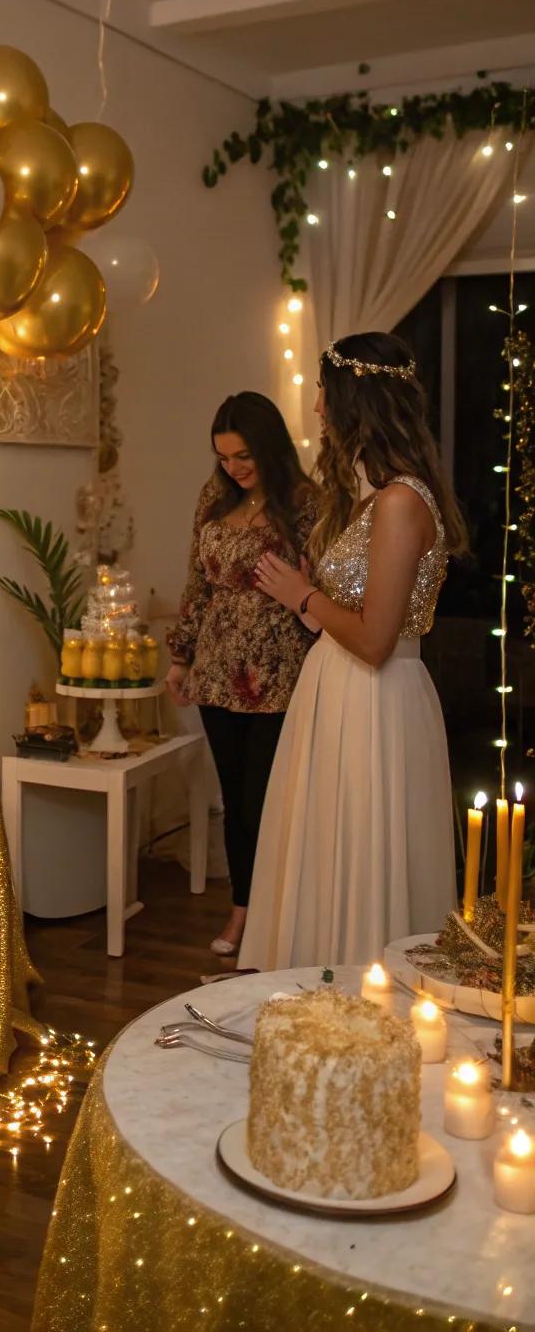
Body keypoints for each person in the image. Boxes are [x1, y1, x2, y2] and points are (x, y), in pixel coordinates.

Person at [240, 332, 467, 972]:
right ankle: (321, 987)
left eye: (323, 391)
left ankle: (364, 993)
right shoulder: (374, 495)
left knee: (365, 848)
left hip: (373, 695)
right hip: (336, 689)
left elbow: (374, 640)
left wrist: (302, 595)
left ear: (354, 399)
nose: (315, 407)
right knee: (328, 847)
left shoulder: (399, 502)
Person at [166, 392, 318, 958]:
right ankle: (241, 911)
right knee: (235, 801)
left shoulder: (306, 503)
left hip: (280, 672)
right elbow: (196, 583)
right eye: (224, 457)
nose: (234, 467)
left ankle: (280, 915)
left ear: (272, 446)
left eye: (244, 455)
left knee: (269, 800)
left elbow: (321, 586)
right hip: (217, 672)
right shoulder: (214, 498)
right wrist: (180, 658)